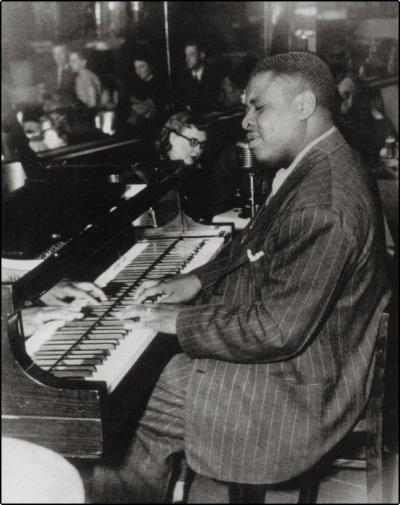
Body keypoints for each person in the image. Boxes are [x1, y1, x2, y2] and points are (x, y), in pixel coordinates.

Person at [85, 52, 390, 503]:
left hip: (300, 388)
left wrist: (177, 320)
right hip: (316, 355)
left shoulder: (323, 203)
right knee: (154, 370)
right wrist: (196, 281)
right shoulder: (321, 160)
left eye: (258, 107)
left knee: (133, 409)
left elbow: (277, 330)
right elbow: (255, 244)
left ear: (304, 105)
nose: (245, 121)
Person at [116, 53, 168, 134]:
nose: (138, 71)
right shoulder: (136, 85)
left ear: (150, 67)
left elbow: (150, 108)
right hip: (135, 126)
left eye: (142, 67)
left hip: (152, 128)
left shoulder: (159, 84)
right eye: (136, 68)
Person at [175, 42, 221, 114]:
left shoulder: (214, 75)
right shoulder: (182, 77)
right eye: (186, 55)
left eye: (191, 55)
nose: (187, 59)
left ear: (202, 55)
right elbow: (180, 102)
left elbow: (214, 102)